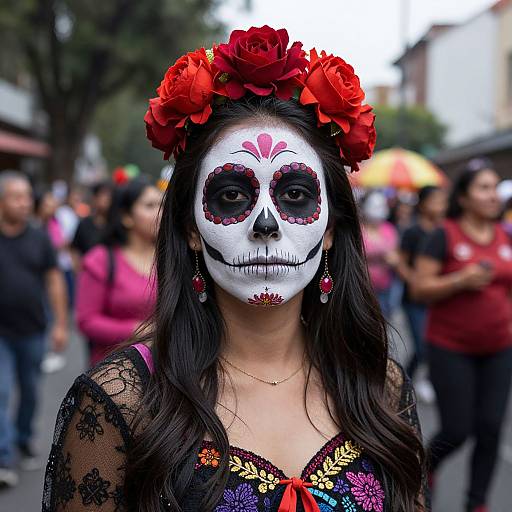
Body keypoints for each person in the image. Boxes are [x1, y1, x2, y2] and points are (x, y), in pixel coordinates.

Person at [43, 26, 427, 512]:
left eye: (294, 195)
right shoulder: (120, 403)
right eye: (231, 196)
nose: (265, 224)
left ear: (331, 228)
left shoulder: (380, 386)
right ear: (189, 228)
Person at [413, 158, 512, 512]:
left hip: (499, 349)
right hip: (451, 348)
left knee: (490, 428)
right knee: (457, 429)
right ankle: (426, 469)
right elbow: (420, 288)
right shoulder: (445, 234)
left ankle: (477, 503)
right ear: (465, 197)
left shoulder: (504, 236)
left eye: (493, 188)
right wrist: (460, 280)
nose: (492, 196)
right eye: (482, 188)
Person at [0, 172, 68, 488]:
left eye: (27, 196)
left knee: (29, 391)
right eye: (17, 196)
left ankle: (23, 436)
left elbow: (54, 281)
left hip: (32, 330)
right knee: (1, 390)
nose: (25, 202)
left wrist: (60, 324)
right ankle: (3, 455)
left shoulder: (40, 238)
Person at [75, 177, 161, 366]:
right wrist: (135, 330)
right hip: (116, 372)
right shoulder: (100, 260)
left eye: (161, 204)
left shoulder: (172, 258)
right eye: (150, 206)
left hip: (168, 370)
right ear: (126, 217)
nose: (160, 212)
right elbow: (86, 320)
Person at [397, 186, 447, 402]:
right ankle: (403, 380)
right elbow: (400, 262)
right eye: (435, 200)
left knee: (433, 344)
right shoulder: (413, 231)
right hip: (415, 300)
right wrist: (414, 281)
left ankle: (409, 379)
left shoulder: (443, 232)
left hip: (437, 299)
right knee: (421, 345)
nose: (440, 205)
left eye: (442, 201)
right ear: (423, 203)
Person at [361, 190, 400, 319]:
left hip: (385, 287)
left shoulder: (389, 229)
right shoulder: (358, 230)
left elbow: (395, 256)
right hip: (363, 286)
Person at [71, 180, 112, 259]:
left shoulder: (115, 224)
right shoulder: (84, 224)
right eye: (104, 195)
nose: (107, 199)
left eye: (110, 195)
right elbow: (74, 250)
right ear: (95, 198)